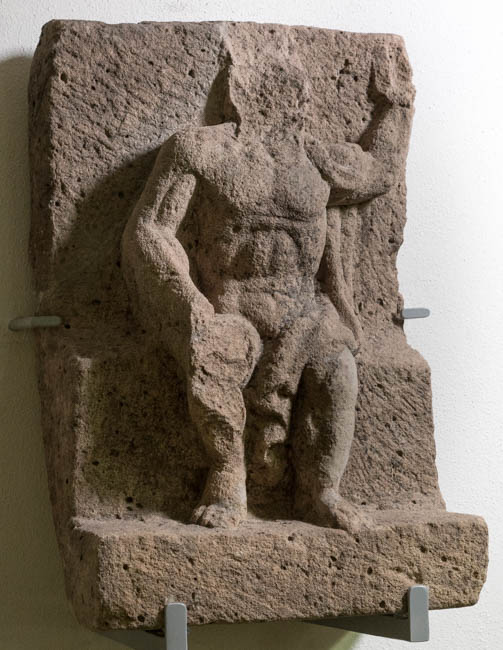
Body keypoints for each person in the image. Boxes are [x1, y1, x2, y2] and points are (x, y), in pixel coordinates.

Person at [122, 54, 410, 530]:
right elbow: (151, 228)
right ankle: (227, 475)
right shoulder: (200, 149)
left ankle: (320, 491)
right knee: (215, 356)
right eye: (263, 90)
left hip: (304, 311)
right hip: (231, 306)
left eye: (290, 93)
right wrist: (190, 300)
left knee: (336, 370)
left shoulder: (317, 159)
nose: (279, 101)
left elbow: (379, 171)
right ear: (236, 94)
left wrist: (395, 107)